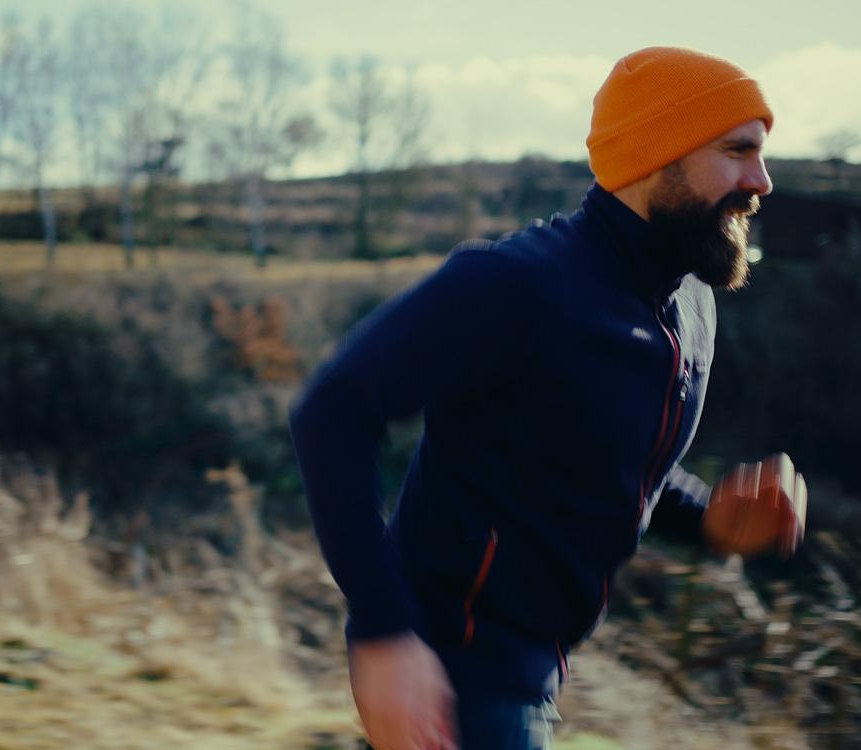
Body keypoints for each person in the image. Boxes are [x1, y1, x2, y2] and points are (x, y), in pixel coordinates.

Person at [289, 46, 805, 750]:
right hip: (453, 678)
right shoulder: (514, 284)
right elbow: (332, 411)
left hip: (534, 678)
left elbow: (605, 467)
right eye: (739, 150)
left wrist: (711, 518)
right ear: (661, 152)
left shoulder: (690, 306)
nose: (763, 180)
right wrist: (384, 633)